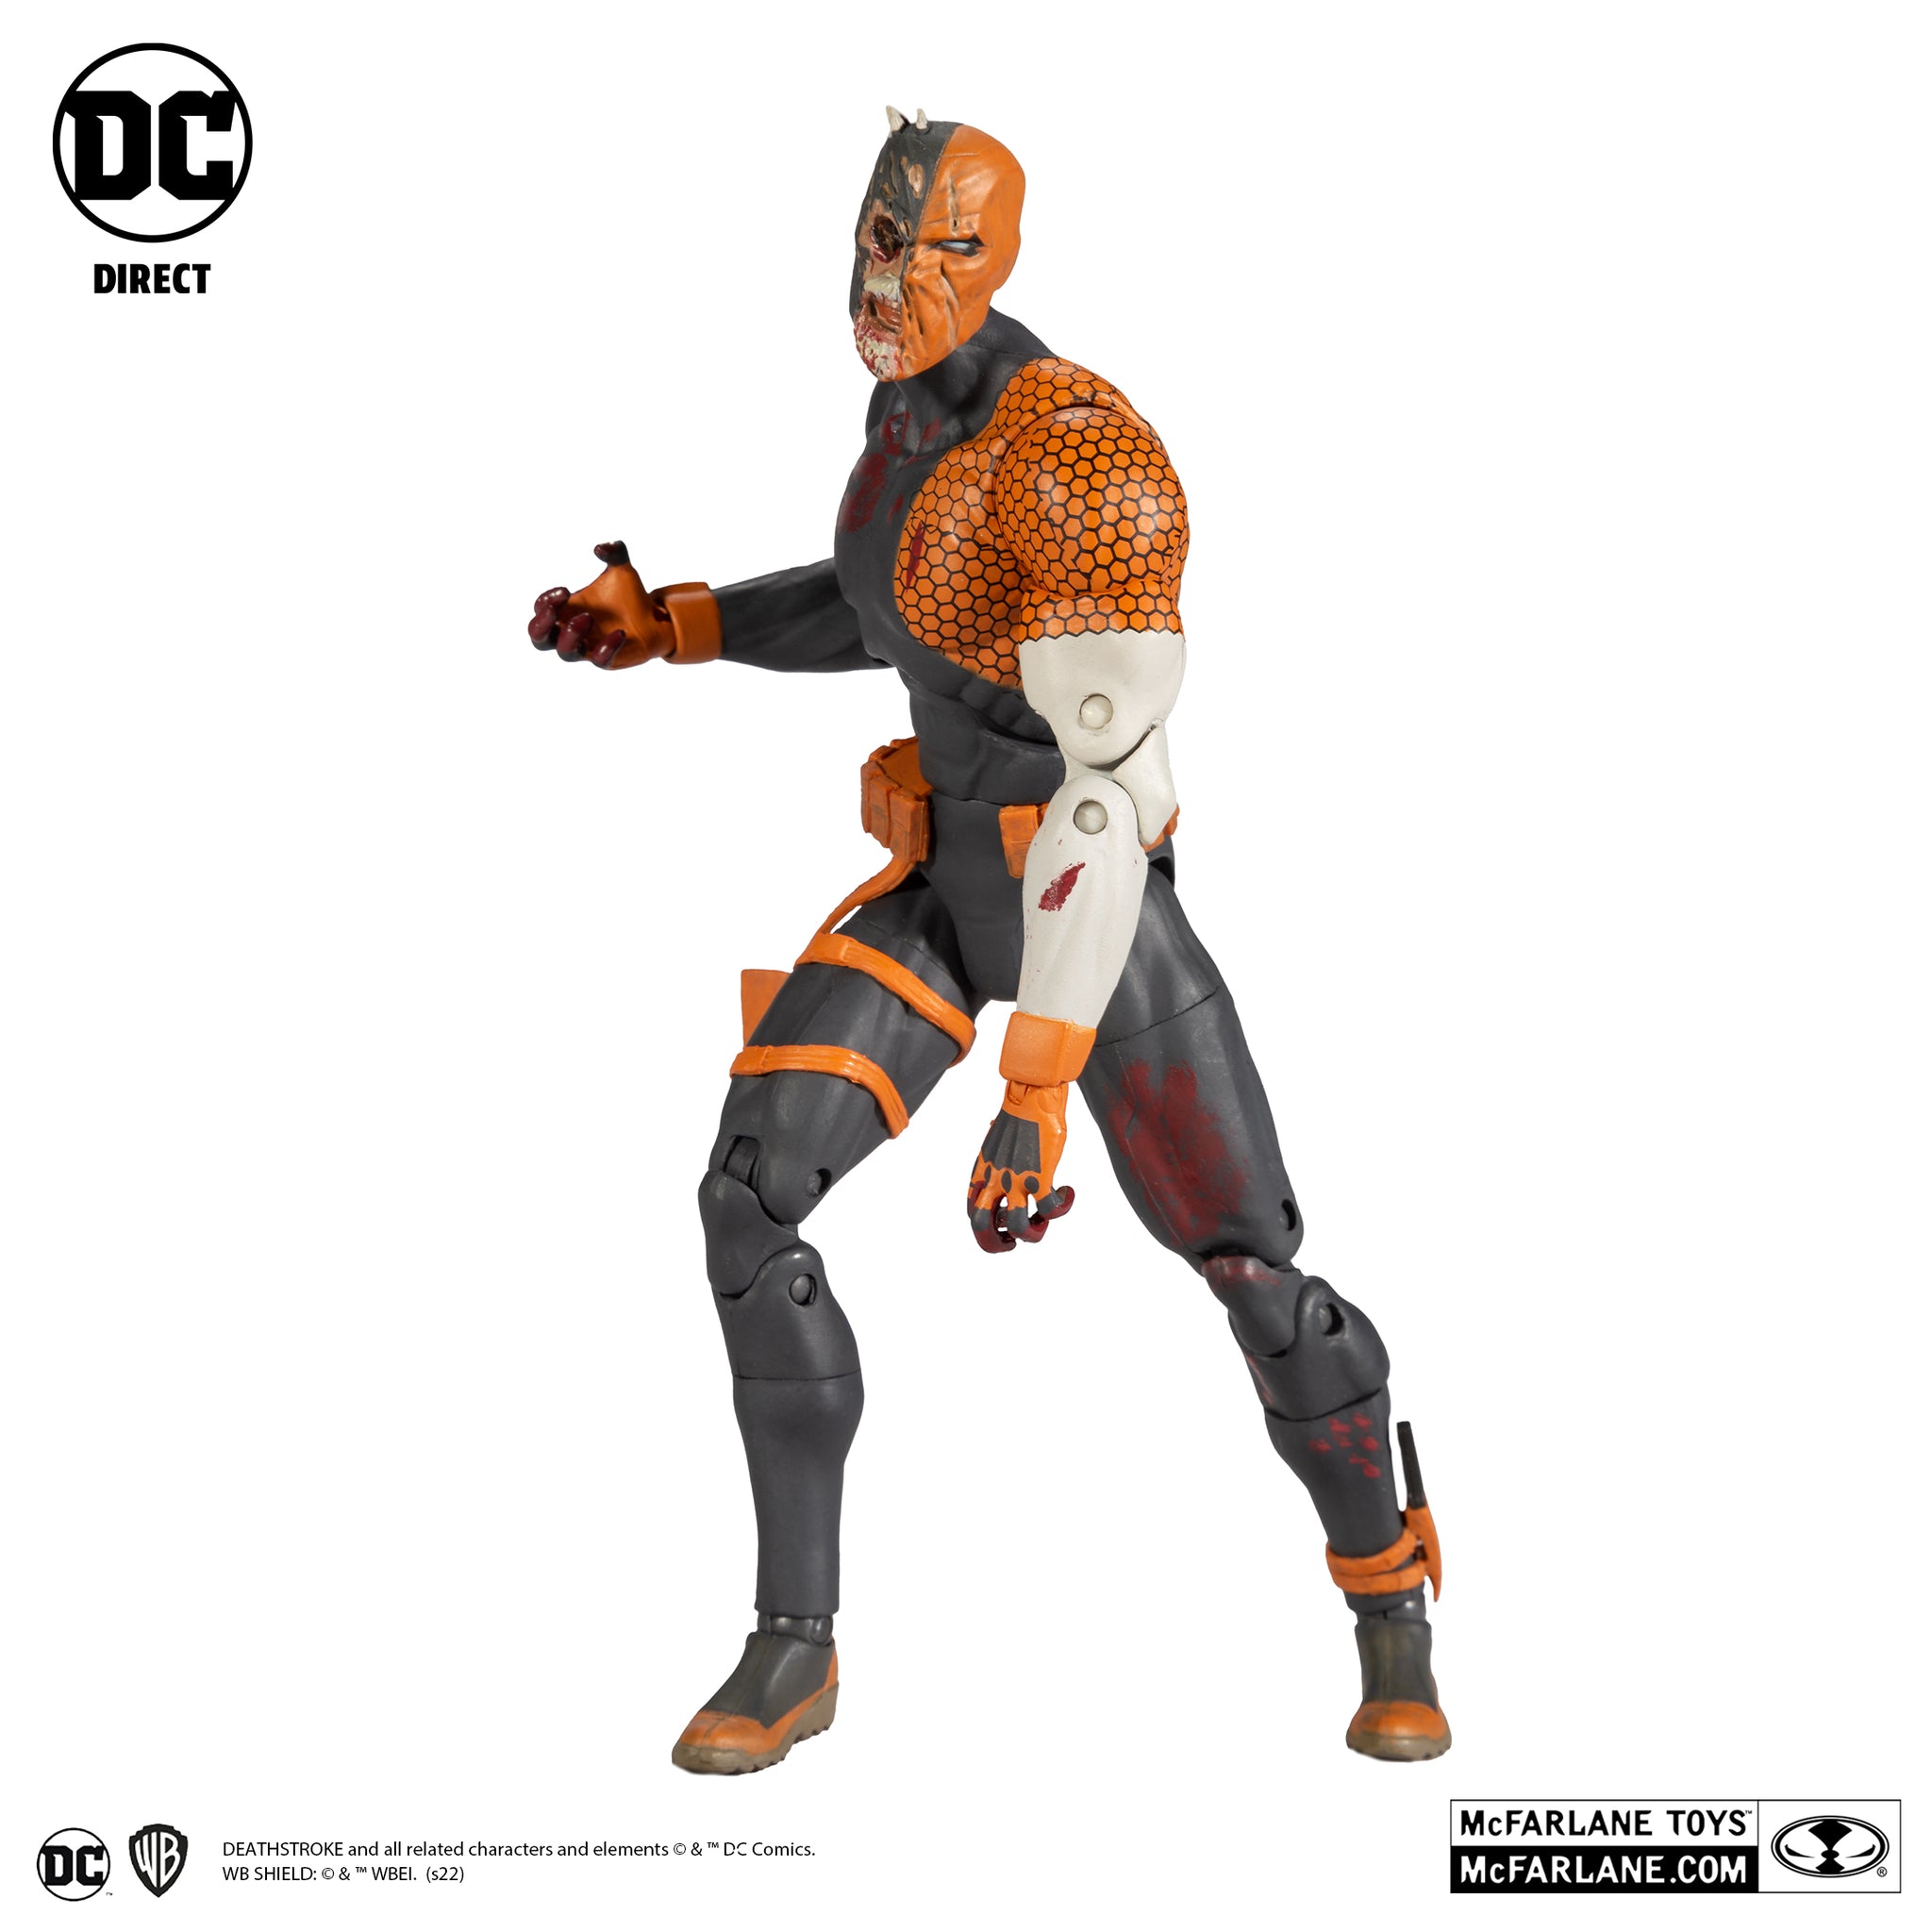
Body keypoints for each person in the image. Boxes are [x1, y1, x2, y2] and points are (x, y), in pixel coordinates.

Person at [528, 109, 1449, 1773]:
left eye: (941, 249)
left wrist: (1038, 1085)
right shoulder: (906, 411)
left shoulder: (1080, 458)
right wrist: (683, 627)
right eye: (881, 241)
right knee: (747, 1200)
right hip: (951, 892)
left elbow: (1101, 797)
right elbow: (883, 602)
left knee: (1256, 1278)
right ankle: (794, 1647)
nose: (894, 283)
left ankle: (1391, 1600)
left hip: (1085, 907)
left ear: (1003, 256)